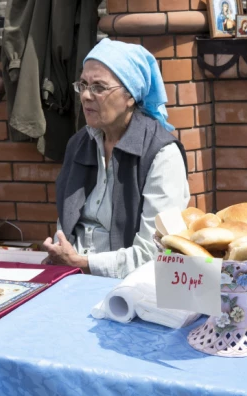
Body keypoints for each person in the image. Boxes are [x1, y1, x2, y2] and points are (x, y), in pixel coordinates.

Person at [43, 39, 190, 279]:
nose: (86, 96)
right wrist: (62, 256)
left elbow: (157, 252)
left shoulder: (162, 154)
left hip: (131, 288)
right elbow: (66, 226)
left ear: (130, 96)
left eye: (99, 87)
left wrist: (83, 263)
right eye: (83, 85)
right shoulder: (79, 144)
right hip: (72, 277)